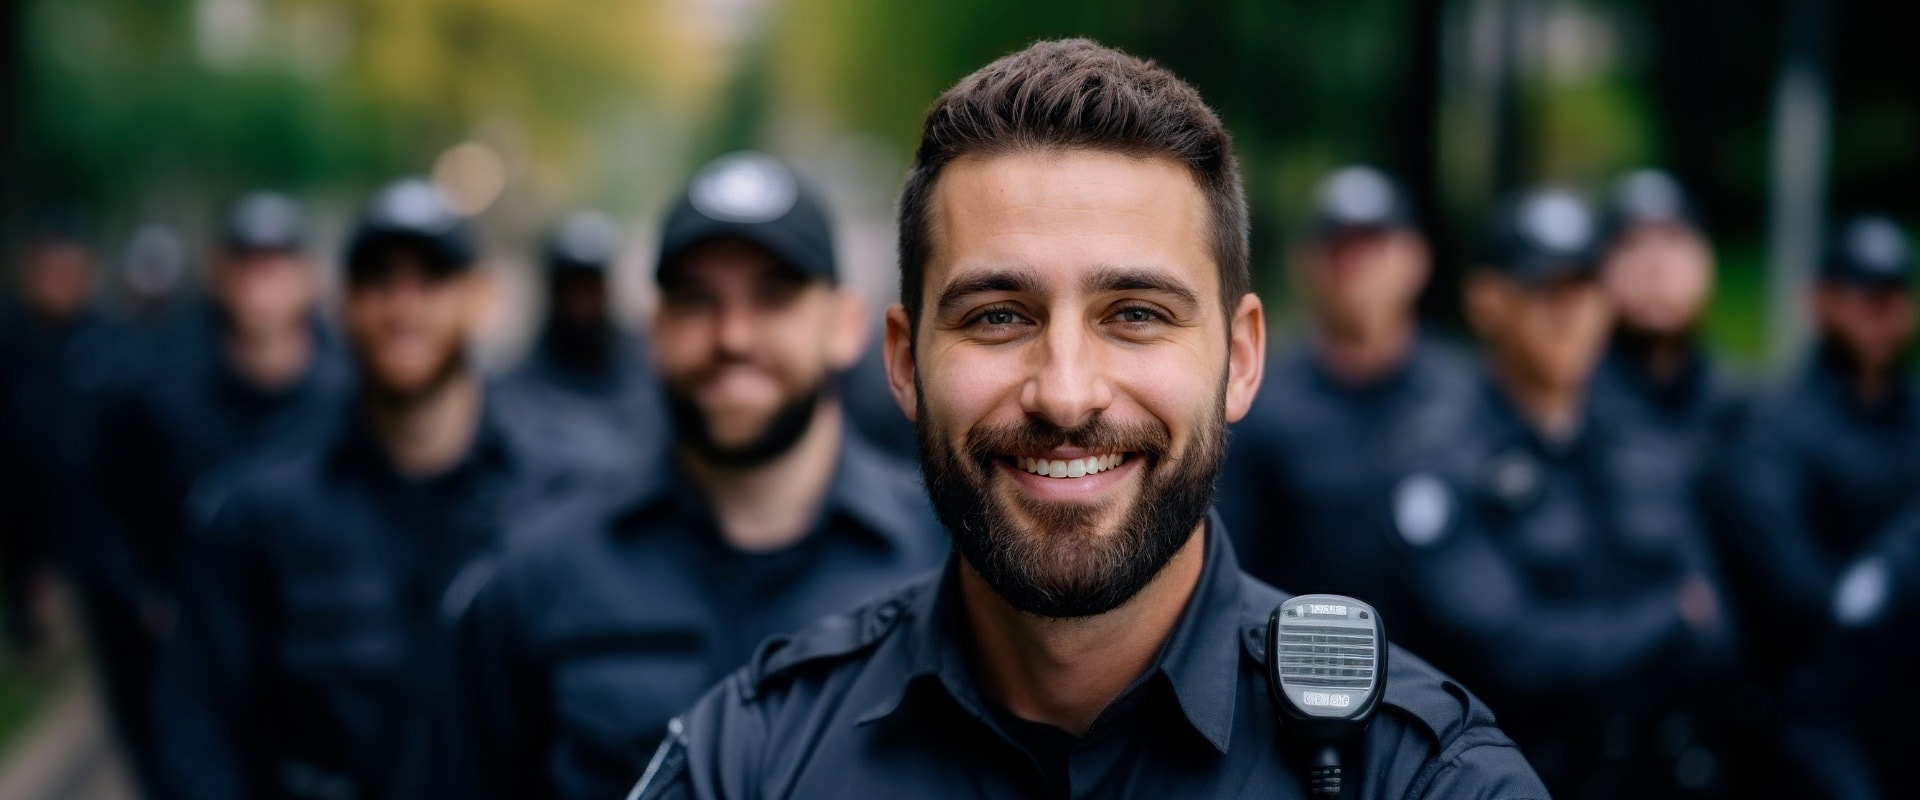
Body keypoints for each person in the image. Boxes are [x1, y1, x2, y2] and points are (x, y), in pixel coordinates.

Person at [630, 40, 1546, 800]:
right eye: (998, 316)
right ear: (905, 363)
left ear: (1243, 360)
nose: (1066, 396)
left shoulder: (1419, 776)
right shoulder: (747, 760)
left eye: (1136, 315)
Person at [410, 151, 946, 800]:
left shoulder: (947, 566)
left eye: (773, 295)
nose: (733, 335)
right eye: (697, 300)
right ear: (656, 330)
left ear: (845, 326)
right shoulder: (537, 578)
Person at [150, 178, 614, 800]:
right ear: (341, 301)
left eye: (431, 280)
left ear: (480, 298)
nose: (403, 308)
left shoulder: (567, 494)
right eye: (378, 281)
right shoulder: (257, 507)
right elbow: (197, 724)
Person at [1394, 188, 1734, 798]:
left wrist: (1666, 630)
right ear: (1487, 301)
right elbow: (1508, 656)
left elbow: (1719, 635)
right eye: (1543, 291)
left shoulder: (1644, 442)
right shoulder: (1438, 459)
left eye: (1584, 288)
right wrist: (1669, 621)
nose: (1569, 313)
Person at [85, 192, 349, 793]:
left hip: (314, 650)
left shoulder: (348, 395)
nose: (263, 285)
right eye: (248, 264)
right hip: (195, 642)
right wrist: (143, 600)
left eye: (277, 265)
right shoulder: (159, 391)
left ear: (306, 277)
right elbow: (102, 507)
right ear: (220, 274)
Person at [1215, 165, 1474, 618]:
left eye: (1373, 248)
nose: (1356, 269)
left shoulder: (1465, 392)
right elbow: (1232, 565)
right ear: (1306, 265)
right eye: (1339, 250)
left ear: (1416, 259)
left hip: (1448, 664)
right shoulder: (1258, 400)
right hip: (1303, 658)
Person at [1720, 213, 1920, 799]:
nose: (1879, 313)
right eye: (1863, 295)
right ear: (1822, 301)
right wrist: (1885, 576)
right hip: (1817, 701)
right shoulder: (1776, 426)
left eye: (1893, 295)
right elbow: (1792, 586)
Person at [0, 217, 125, 656]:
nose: (60, 283)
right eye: (50, 270)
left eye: (70, 270)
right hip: (27, 518)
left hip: (101, 519)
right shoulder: (12, 343)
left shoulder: (110, 340)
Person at [1589, 170, 1744, 474]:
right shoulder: (1563, 410)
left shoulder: (1741, 411)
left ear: (1706, 263)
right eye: (1631, 245)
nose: (1655, 267)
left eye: (1673, 242)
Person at [499, 209, 664, 450]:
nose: (581, 304)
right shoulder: (512, 393)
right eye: (571, 289)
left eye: (590, 288)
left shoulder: (650, 373)